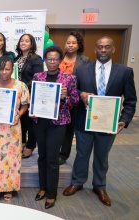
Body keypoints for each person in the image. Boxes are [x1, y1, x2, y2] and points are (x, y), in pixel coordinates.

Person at [63, 36, 137, 207]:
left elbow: (131, 100)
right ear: (95, 50)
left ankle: (100, 186)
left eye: (107, 47)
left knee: (102, 156)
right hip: (85, 120)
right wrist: (81, 94)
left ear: (113, 49)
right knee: (82, 153)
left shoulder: (125, 72)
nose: (103, 50)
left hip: (108, 123)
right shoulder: (82, 70)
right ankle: (77, 182)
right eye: (100, 47)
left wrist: (124, 120)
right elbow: (74, 90)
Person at [31, 46, 79, 209]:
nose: (52, 61)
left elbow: (75, 100)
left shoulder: (69, 78)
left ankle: (52, 194)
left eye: (55, 59)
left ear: (60, 61)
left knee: (52, 159)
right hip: (40, 122)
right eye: (49, 58)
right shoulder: (38, 76)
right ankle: (43, 187)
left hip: (58, 124)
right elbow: (34, 97)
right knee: (42, 156)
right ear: (45, 60)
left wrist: (65, 98)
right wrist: (33, 109)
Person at [0, 56, 29, 201]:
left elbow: (25, 104)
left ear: (12, 70)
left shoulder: (20, 86)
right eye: (1, 68)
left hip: (12, 129)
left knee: (11, 157)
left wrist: (19, 115)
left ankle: (9, 186)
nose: (4, 72)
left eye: (7, 69)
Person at [58, 31, 90, 165]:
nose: (70, 45)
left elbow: (86, 81)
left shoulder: (85, 60)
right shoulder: (59, 58)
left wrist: (78, 92)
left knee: (69, 128)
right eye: (68, 42)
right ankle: (54, 150)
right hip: (58, 99)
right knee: (56, 127)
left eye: (73, 43)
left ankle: (64, 154)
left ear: (79, 45)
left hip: (74, 99)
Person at [15, 33, 44, 158]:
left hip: (30, 95)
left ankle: (31, 146)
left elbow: (38, 78)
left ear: (31, 44)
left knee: (31, 123)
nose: (23, 43)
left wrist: (23, 88)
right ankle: (21, 142)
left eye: (27, 41)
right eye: (22, 40)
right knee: (21, 121)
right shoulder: (17, 59)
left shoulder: (36, 59)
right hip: (18, 96)